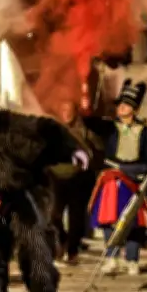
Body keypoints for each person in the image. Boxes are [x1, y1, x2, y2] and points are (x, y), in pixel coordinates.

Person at [87, 80, 147, 276]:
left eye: (126, 105)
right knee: (108, 218)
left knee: (133, 221)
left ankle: (132, 260)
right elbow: (90, 123)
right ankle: (112, 257)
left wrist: (136, 171)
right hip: (111, 179)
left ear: (134, 110)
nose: (121, 108)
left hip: (134, 181)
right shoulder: (110, 128)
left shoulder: (143, 132)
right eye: (119, 105)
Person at [49, 100, 102, 266]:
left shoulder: (85, 130)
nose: (66, 113)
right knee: (52, 214)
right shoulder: (53, 128)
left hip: (78, 178)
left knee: (76, 217)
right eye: (63, 109)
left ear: (75, 112)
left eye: (69, 110)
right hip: (56, 176)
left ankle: (72, 251)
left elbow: (98, 151)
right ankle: (62, 241)